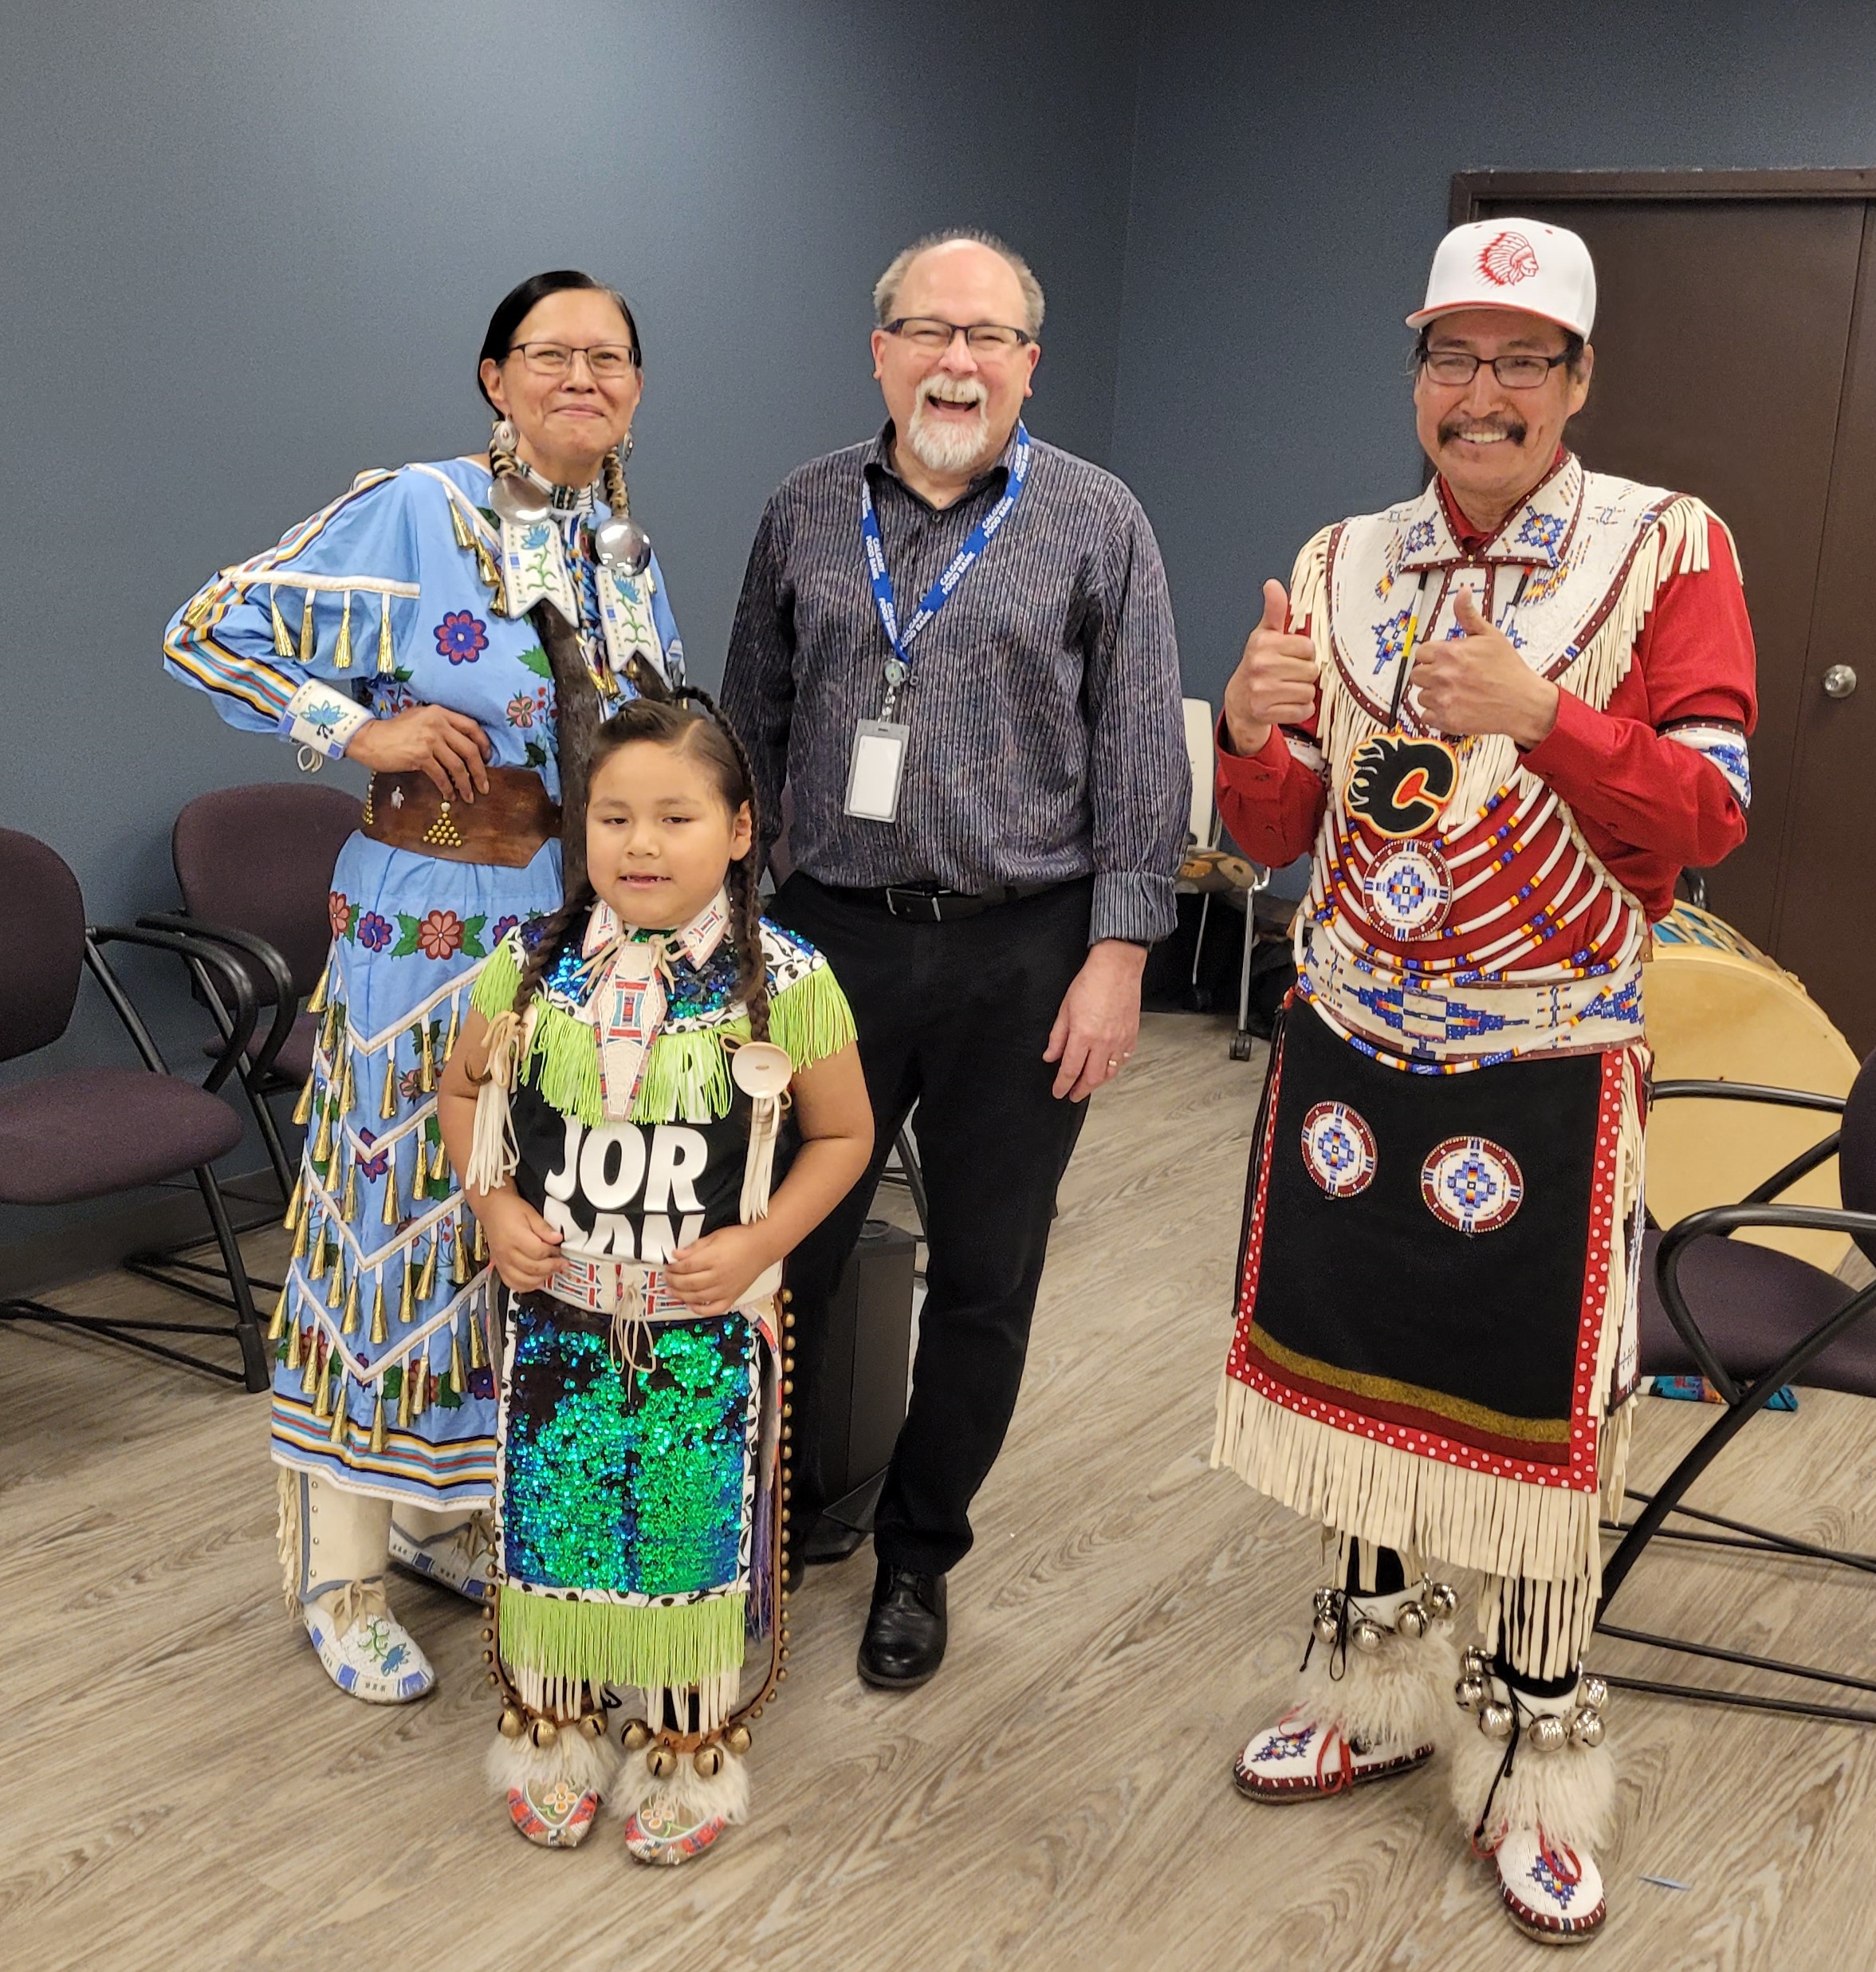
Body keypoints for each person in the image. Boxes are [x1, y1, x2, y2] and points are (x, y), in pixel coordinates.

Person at [1209, 218, 1756, 1945]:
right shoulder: (1342, 555)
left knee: (1535, 1418)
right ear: (1418, 376)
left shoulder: (1668, 547)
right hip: (1355, 1040)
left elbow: (1713, 811)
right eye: (1451, 355)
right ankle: (1371, 1695)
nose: (1482, 392)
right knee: (1354, 1381)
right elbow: (1278, 835)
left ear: (1580, 380)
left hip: (1547, 1058)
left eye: (1523, 360)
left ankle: (1534, 1758)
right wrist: (1245, 726)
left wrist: (1551, 717)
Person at [163, 270, 686, 1702]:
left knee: (501, 1237)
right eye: (549, 353)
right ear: (492, 376)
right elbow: (207, 623)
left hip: (574, 934)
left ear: (637, 385)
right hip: (426, 924)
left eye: (610, 356)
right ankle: (338, 1569)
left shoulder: (623, 546)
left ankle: (439, 1515)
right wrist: (355, 731)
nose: (582, 374)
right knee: (386, 1226)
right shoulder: (416, 505)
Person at [722, 230, 1190, 1691]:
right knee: (781, 1248)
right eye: (927, 330)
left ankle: (919, 1555)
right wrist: (730, 935)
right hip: (827, 945)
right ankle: (778, 1512)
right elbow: (749, 725)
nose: (956, 361)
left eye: (986, 336)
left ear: (1027, 364)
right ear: (880, 349)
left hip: (1024, 954)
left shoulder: (1097, 518)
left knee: (985, 1273)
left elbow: (1136, 755)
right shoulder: (804, 509)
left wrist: (1117, 954)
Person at [439, 693, 872, 1857]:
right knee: (556, 1535)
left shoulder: (784, 976)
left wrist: (760, 1241)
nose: (639, 843)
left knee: (685, 1549)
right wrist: (493, 1203)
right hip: (559, 1324)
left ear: (739, 830)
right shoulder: (527, 972)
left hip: (704, 1333)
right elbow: (464, 1090)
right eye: (613, 816)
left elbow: (842, 1135)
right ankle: (557, 1731)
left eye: (675, 816)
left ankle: (685, 1756)